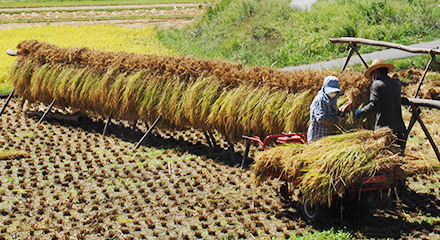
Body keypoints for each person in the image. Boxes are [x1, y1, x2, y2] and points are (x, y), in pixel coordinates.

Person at [354, 59, 406, 150]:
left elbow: (374, 105)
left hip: (385, 129)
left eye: (372, 74)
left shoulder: (377, 84)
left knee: (385, 156)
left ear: (376, 72)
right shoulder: (396, 84)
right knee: (398, 155)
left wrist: (360, 112)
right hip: (399, 128)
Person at [307, 75, 346, 143]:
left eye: (335, 92)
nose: (333, 93)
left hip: (326, 137)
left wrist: (341, 112)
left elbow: (331, 114)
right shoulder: (320, 99)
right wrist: (337, 120)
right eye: (331, 91)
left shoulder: (332, 99)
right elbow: (321, 118)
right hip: (317, 138)